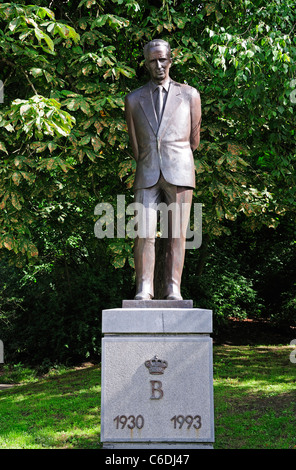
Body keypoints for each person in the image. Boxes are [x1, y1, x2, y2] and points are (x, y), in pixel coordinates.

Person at [125, 39, 202, 300]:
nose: (158, 65)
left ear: (170, 60)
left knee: (177, 234)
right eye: (152, 61)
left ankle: (173, 288)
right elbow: (135, 144)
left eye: (162, 59)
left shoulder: (190, 94)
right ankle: (144, 288)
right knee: (143, 233)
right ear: (146, 64)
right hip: (146, 171)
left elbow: (194, 140)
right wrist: (150, 159)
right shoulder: (134, 99)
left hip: (179, 169)